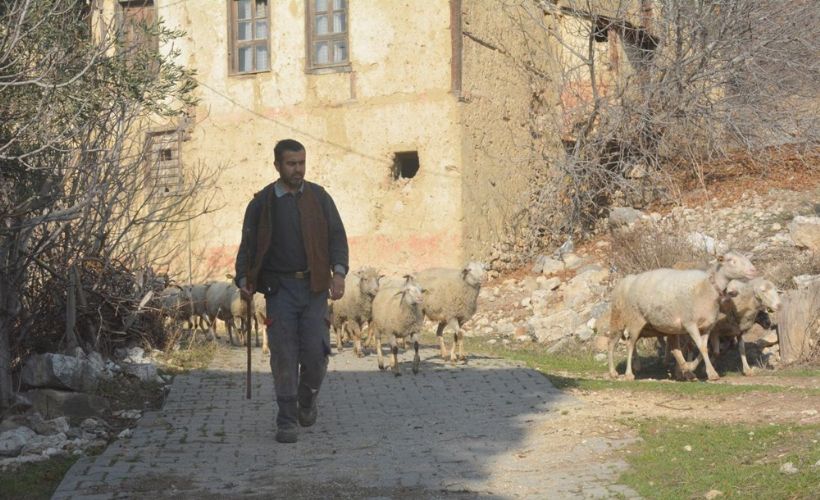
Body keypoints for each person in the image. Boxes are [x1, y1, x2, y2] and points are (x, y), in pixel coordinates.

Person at [234, 139, 348, 443]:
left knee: (315, 354)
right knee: (284, 354)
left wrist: (338, 273)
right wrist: (243, 278)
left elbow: (337, 237)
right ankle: (286, 419)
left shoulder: (320, 198)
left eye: (301, 163)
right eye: (291, 164)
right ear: (277, 166)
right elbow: (247, 245)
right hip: (279, 289)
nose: (298, 169)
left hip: (314, 289)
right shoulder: (262, 203)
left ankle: (307, 399)